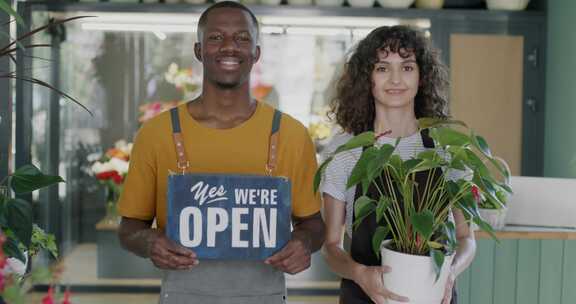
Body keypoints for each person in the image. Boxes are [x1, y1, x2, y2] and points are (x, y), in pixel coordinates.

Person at [116, 2, 325, 303]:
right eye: (216, 37)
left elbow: (314, 225)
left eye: (242, 38)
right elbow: (128, 229)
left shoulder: (291, 135)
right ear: (199, 50)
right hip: (180, 295)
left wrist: (304, 242)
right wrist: (150, 242)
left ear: (256, 52)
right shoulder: (156, 134)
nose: (229, 47)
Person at [320, 26, 476, 304]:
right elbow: (331, 247)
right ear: (367, 78)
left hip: (432, 295)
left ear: (422, 77)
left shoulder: (445, 147)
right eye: (382, 68)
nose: (395, 79)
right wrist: (359, 273)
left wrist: (450, 271)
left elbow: (466, 238)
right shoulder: (345, 150)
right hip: (364, 297)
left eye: (407, 67)